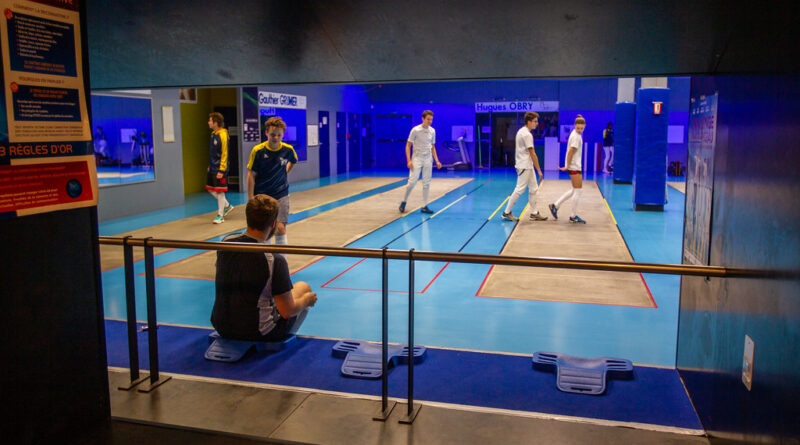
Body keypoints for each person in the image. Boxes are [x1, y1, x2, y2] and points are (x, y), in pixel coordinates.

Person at [212, 194, 317, 341]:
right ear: (273, 223)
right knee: (305, 289)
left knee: (299, 287)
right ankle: (284, 339)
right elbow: (287, 311)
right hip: (259, 332)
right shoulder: (274, 260)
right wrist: (307, 300)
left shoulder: (226, 243)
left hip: (221, 326)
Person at [247, 116, 297, 244]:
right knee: (264, 230)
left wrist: (285, 171)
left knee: (280, 228)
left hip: (281, 194)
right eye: (272, 134)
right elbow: (251, 175)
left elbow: (293, 162)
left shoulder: (288, 150)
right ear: (266, 133)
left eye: (279, 135)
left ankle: (281, 260)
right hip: (262, 196)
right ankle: (267, 260)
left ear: (283, 135)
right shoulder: (257, 151)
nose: (275, 138)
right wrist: (250, 198)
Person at [502, 112, 548, 222]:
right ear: (529, 122)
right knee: (519, 189)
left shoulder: (522, 131)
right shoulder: (527, 135)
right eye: (535, 121)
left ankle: (534, 213)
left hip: (527, 165)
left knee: (533, 188)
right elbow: (533, 153)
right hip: (524, 166)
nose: (537, 123)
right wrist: (539, 171)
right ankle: (506, 212)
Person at [399, 110, 442, 214]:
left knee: (426, 183)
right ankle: (404, 201)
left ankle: (424, 206)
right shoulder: (415, 130)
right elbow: (408, 146)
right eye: (428, 119)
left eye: (431, 119)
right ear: (423, 119)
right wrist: (409, 161)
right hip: (417, 159)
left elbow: (432, 147)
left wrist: (437, 160)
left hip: (428, 159)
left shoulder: (432, 131)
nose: (430, 121)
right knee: (412, 182)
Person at [549, 115, 587, 224]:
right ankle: (573, 216)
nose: (580, 130)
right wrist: (567, 166)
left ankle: (555, 205)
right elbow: (570, 151)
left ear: (584, 126)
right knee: (578, 191)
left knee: (575, 190)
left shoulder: (577, 134)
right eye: (578, 128)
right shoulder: (576, 136)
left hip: (574, 166)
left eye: (581, 128)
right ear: (574, 126)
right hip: (574, 166)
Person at [207, 112, 234, 224]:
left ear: (216, 122)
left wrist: (221, 170)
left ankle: (220, 215)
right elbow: (213, 153)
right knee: (210, 189)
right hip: (213, 167)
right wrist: (210, 165)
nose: (208, 122)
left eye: (210, 120)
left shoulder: (223, 135)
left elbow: (224, 153)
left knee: (220, 191)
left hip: (220, 169)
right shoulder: (213, 134)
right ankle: (227, 205)